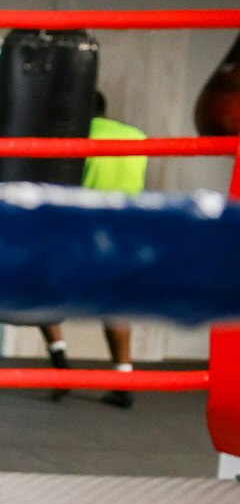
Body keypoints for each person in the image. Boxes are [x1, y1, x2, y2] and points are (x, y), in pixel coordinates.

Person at [38, 91, 147, 408]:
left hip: (80, 230)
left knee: (43, 294)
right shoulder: (136, 137)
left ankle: (61, 367)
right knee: (116, 306)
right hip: (124, 232)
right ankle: (123, 380)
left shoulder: (75, 137)